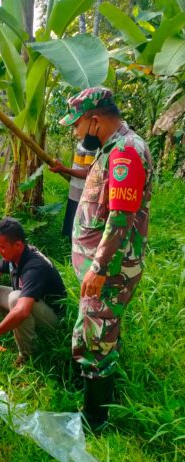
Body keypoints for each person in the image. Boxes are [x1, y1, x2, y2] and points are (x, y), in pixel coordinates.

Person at [59, 87, 152, 430]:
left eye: (78, 125)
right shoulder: (113, 148)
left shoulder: (126, 151)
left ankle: (94, 425)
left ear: (95, 120)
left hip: (110, 271)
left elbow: (121, 216)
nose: (76, 132)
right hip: (104, 270)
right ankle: (95, 411)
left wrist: (97, 267)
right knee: (100, 334)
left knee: (95, 343)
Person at [0, 217, 66, 365]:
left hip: (53, 319)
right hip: (30, 302)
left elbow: (22, 311)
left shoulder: (34, 267)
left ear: (18, 245)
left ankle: (27, 355)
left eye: (1, 247)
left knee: (16, 299)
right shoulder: (14, 254)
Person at [50, 141, 96, 241]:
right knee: (72, 234)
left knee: (79, 235)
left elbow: (88, 173)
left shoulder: (91, 146)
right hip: (75, 192)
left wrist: (64, 169)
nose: (75, 132)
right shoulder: (82, 142)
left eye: (76, 126)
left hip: (82, 195)